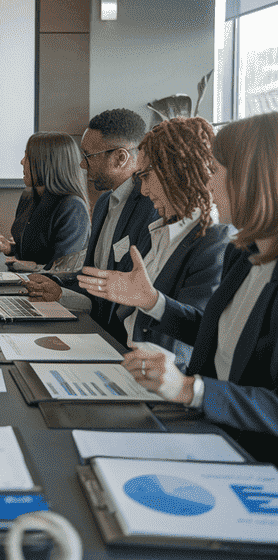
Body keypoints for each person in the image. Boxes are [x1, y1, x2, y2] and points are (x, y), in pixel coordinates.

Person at [121, 112, 278, 466]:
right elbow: (214, 335)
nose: (207, 186)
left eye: (215, 173)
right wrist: (153, 302)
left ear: (253, 179)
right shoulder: (245, 254)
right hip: (206, 431)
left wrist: (190, 389)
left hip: (252, 460)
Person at [76, 117, 230, 364]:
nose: (144, 190)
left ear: (176, 170)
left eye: (145, 177)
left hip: (165, 381)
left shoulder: (213, 239)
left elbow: (202, 331)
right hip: (130, 364)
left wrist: (151, 300)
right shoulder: (162, 229)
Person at [26, 108, 159, 344]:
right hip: (90, 328)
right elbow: (92, 274)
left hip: (120, 341)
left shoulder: (151, 209)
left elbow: (130, 292)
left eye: (88, 156)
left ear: (120, 158)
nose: (82, 165)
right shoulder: (105, 203)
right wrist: (56, 286)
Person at [0, 132, 90, 267]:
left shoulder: (73, 207)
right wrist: (9, 248)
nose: (22, 161)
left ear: (47, 163)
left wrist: (26, 266)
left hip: (50, 286)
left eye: (28, 157)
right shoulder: (29, 196)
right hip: (26, 281)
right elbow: (33, 251)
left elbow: (63, 268)